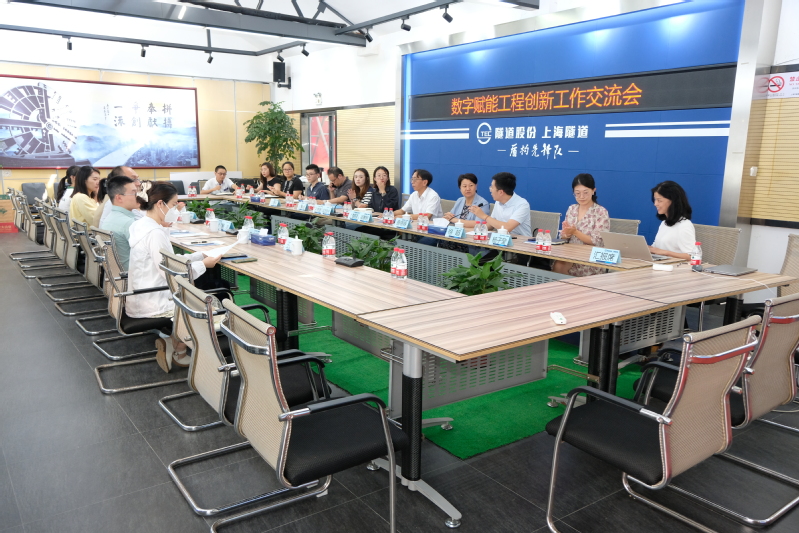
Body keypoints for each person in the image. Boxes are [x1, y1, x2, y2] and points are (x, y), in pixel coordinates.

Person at [127, 183, 222, 372]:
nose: (175, 209)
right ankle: (183, 349)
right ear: (160, 204)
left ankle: (177, 347)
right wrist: (203, 264)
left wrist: (198, 256)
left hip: (143, 293)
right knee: (210, 305)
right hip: (154, 299)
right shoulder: (154, 233)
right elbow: (171, 273)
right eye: (173, 205)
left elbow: (168, 261)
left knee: (197, 298)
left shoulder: (142, 225)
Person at [552, 173, 610, 276]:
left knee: (562, 266)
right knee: (558, 264)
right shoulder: (572, 209)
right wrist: (566, 234)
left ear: (593, 191)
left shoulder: (601, 212)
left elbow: (597, 241)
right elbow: (564, 237)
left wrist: (575, 232)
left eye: (585, 193)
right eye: (577, 193)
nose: (581, 197)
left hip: (590, 258)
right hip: (570, 254)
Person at [99, 175, 139, 270]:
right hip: (133, 274)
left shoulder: (110, 218)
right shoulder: (128, 223)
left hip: (118, 273)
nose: (138, 197)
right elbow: (147, 253)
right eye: (134, 193)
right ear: (119, 198)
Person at [649, 180, 696, 260]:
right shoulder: (664, 223)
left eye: (659, 200)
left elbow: (692, 257)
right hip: (661, 263)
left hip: (676, 266)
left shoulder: (684, 225)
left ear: (673, 201)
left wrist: (665, 252)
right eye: (655, 200)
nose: (655, 204)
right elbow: (656, 248)